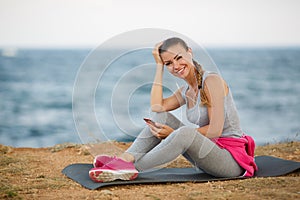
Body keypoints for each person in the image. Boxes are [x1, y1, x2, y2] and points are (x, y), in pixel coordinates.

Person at [89, 37, 258, 183]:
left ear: (189, 52)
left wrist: (173, 135)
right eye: (169, 63)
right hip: (206, 156)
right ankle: (124, 159)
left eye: (179, 58)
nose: (176, 66)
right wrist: (158, 66)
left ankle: (129, 168)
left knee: (185, 133)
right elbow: (157, 107)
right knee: (161, 116)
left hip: (231, 161)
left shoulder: (211, 81)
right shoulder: (186, 91)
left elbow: (215, 131)